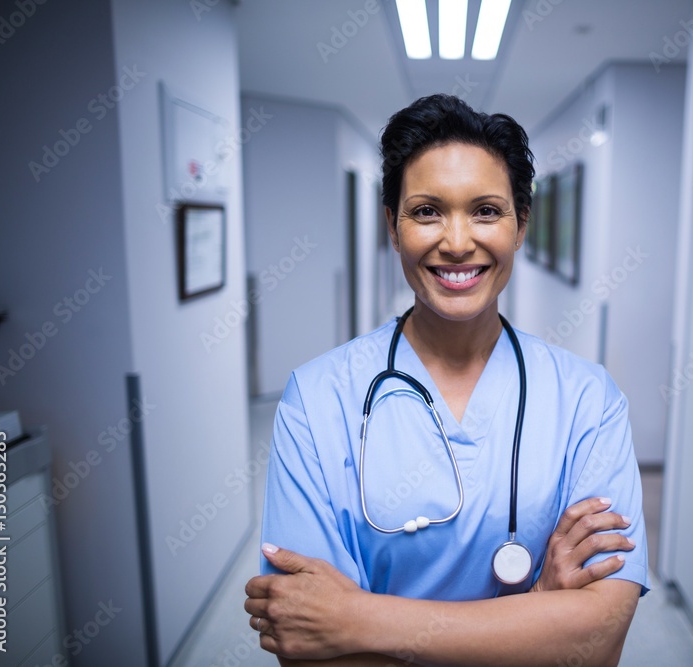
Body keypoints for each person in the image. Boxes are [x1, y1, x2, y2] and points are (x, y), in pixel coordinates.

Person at [244, 93, 649, 666]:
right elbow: (305, 647)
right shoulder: (316, 399)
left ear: (521, 225)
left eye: (486, 210)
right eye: (427, 211)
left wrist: (358, 618)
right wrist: (535, 611)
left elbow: (598, 640)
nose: (457, 242)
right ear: (392, 225)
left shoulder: (588, 399)